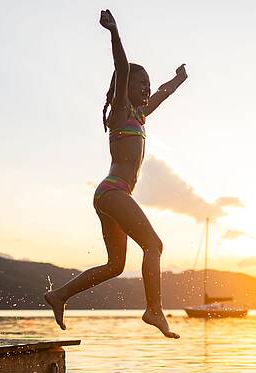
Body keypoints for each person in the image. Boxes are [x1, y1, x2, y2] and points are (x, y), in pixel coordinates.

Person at [45, 9, 186, 338]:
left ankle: (59, 294)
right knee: (154, 246)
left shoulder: (139, 115)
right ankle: (154, 310)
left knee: (115, 265)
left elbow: (162, 93)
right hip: (113, 192)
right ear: (125, 88)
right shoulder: (121, 110)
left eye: (148, 84)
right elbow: (122, 68)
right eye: (141, 83)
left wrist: (178, 80)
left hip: (109, 196)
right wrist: (114, 33)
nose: (147, 88)